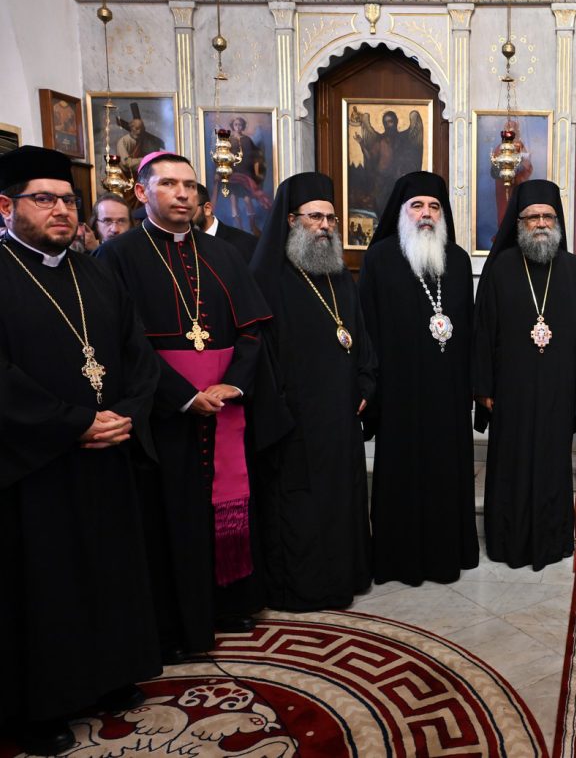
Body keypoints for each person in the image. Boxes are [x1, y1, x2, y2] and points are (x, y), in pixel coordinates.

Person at [0, 146, 160, 755]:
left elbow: (137, 352)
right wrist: (73, 425)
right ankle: (38, 707)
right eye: (44, 199)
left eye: (68, 200)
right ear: (7, 207)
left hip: (107, 452)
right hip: (34, 464)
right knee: (45, 584)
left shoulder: (95, 272)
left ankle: (110, 673)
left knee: (108, 567)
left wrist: (127, 413)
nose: (62, 210)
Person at [98, 151, 274, 661]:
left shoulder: (224, 255)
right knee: (169, 514)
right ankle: (175, 623)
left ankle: (228, 601)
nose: (182, 194)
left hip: (224, 407)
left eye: (190, 186)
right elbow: (122, 345)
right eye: (169, 184)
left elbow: (252, 331)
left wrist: (232, 385)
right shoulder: (117, 256)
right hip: (161, 413)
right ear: (141, 192)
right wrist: (182, 397)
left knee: (226, 505)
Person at [249, 172, 375, 610]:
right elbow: (258, 355)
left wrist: (366, 381)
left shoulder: (339, 276)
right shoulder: (267, 279)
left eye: (331, 218)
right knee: (300, 504)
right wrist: (280, 408)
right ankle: (303, 587)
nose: (325, 225)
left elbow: (359, 336)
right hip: (295, 421)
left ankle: (346, 576)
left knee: (343, 498)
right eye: (315, 217)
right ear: (290, 220)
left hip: (341, 416)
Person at [473, 180, 576, 569]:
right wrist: (484, 386)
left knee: (552, 464)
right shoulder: (501, 269)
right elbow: (483, 331)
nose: (542, 223)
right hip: (510, 390)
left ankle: (551, 539)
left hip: (557, 389)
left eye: (548, 216)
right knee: (511, 464)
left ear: (557, 221)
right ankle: (507, 541)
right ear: (519, 223)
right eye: (533, 217)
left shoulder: (572, 269)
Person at [359, 171, 478, 585]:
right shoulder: (380, 259)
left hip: (448, 394)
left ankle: (448, 553)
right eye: (417, 206)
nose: (426, 213)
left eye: (434, 207)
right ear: (402, 212)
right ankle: (400, 559)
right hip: (399, 393)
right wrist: (372, 389)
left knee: (446, 473)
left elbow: (469, 330)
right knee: (402, 475)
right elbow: (367, 329)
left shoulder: (457, 261)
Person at [224, 116, 272, 234]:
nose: (238, 127)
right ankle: (238, 229)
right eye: (236, 124)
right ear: (233, 126)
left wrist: (256, 171)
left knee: (247, 199)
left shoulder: (247, 140)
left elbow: (255, 155)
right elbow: (224, 157)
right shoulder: (228, 141)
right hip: (233, 173)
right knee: (233, 199)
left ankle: (252, 226)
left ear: (243, 126)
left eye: (240, 125)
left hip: (246, 173)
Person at [195, 182, 259, 263]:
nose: (184, 214)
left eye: (190, 208)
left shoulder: (245, 243)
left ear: (207, 208)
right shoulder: (185, 245)